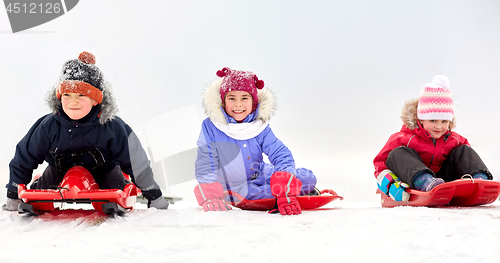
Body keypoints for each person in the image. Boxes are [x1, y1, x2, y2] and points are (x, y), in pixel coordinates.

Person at [3, 52, 169, 211]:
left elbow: (135, 160)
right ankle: (38, 199)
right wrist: (14, 193)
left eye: (81, 95)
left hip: (104, 172)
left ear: (95, 99)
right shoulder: (49, 125)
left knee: (115, 187)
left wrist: (153, 194)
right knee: (39, 196)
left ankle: (115, 196)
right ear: (60, 97)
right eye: (67, 94)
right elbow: (24, 157)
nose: (72, 102)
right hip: (59, 172)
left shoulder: (112, 126)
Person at [194, 67, 318, 215]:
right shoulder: (212, 127)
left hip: (262, 174)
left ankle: (289, 191)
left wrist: (284, 183)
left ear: (253, 102)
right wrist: (211, 196)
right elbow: (206, 162)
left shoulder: (259, 127)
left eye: (244, 98)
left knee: (309, 178)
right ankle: (286, 193)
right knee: (262, 194)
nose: (238, 104)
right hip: (236, 187)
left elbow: (281, 154)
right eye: (232, 98)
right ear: (223, 101)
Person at [373, 75, 492, 201]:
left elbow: (466, 159)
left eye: (444, 121)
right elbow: (381, 162)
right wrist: (390, 182)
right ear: (421, 119)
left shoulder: (455, 140)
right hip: (413, 179)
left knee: (463, 150)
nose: (439, 126)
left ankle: (479, 180)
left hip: (443, 181)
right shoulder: (403, 138)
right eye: (433, 120)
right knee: (397, 153)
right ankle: (424, 181)